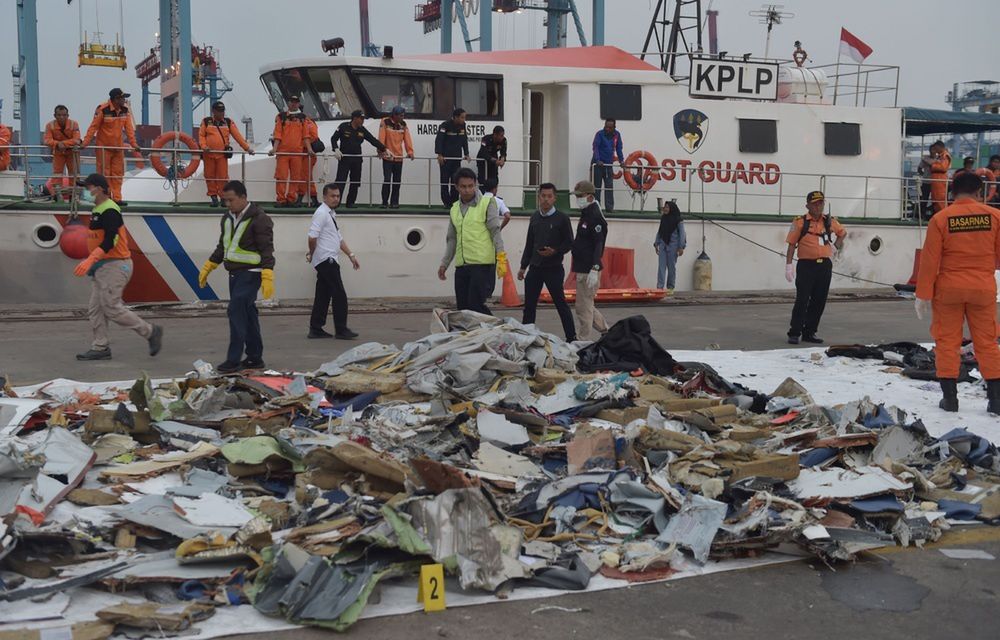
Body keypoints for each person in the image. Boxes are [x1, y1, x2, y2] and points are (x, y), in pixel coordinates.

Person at [915, 172, 1000, 414]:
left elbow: (930, 262)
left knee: (947, 343)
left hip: (948, 290)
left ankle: (950, 400)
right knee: (987, 342)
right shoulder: (995, 217)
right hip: (982, 289)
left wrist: (923, 295)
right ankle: (996, 400)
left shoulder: (941, 219)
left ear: (952, 193)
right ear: (979, 192)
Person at [73, 173, 163, 361]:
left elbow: (111, 240)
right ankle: (100, 347)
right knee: (96, 308)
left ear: (98, 188)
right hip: (103, 266)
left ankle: (150, 331)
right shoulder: (98, 209)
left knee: (111, 307)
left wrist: (91, 259)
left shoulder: (110, 210)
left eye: (87, 188)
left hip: (115, 265)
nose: (85, 191)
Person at [198, 180, 275, 373]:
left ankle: (233, 360)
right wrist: (210, 265)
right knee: (247, 314)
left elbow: (267, 249)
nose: (227, 204)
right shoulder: (227, 218)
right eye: (225, 201)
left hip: (251, 274)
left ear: (243, 197)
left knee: (235, 311)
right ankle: (255, 357)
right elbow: (223, 246)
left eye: (231, 200)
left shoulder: (260, 218)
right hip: (235, 274)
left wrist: (267, 274)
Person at [438, 167, 505, 314]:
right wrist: (444, 264)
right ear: (456, 187)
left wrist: (501, 257)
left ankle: (495, 330)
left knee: (475, 305)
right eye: (463, 186)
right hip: (462, 265)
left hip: (481, 264)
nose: (467, 190)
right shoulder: (454, 208)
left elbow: (495, 231)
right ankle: (472, 335)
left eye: (470, 186)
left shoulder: (488, 203)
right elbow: (452, 239)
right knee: (462, 308)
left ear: (475, 184)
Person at [784, 191, 847, 345]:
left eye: (821, 203)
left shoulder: (829, 221)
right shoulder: (800, 222)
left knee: (819, 301)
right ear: (808, 205)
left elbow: (842, 233)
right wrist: (789, 264)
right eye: (815, 203)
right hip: (806, 266)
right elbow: (792, 244)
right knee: (802, 300)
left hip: (824, 266)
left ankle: (810, 332)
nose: (819, 206)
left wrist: (835, 247)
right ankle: (794, 332)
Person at [518, 183, 576, 341]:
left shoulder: (562, 218)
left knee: (561, 304)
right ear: (539, 197)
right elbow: (530, 243)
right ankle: (526, 337)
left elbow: (569, 242)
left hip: (554, 268)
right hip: (535, 268)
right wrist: (523, 266)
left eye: (549, 196)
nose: (546, 200)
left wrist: (555, 251)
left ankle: (571, 337)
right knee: (529, 306)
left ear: (554, 198)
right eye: (543, 196)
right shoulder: (535, 217)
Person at [307, 184, 361, 340]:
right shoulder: (321, 214)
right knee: (339, 294)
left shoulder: (330, 214)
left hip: (328, 259)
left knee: (323, 294)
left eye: (338, 196)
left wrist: (350, 255)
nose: (336, 198)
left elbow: (338, 238)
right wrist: (312, 253)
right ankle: (341, 329)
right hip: (326, 259)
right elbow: (312, 237)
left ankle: (316, 328)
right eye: (332, 196)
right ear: (324, 197)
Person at [81, 88, 141, 203]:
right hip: (104, 148)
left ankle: (117, 199)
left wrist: (134, 144)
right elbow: (93, 127)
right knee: (104, 174)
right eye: (123, 98)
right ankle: (106, 198)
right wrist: (85, 143)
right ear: (116, 99)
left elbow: (129, 129)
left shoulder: (125, 110)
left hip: (118, 148)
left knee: (118, 175)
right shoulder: (102, 109)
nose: (124, 100)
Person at [571, 180, 609, 340]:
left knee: (583, 307)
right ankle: (607, 331)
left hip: (589, 268)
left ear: (590, 196)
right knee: (586, 305)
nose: (578, 198)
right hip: (583, 266)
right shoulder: (587, 213)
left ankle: (582, 340)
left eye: (580, 196)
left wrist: (594, 267)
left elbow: (598, 243)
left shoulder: (594, 216)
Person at [199, 101, 254, 207]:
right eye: (219, 111)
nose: (222, 113)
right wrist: (204, 146)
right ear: (213, 111)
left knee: (223, 177)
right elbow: (201, 135)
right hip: (208, 154)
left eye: (223, 111)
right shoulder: (206, 121)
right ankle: (213, 197)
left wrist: (247, 148)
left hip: (222, 155)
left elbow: (237, 136)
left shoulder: (228, 122)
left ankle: (223, 198)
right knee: (209, 176)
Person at [331, 109, 385, 208]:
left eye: (363, 118)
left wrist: (384, 148)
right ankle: (336, 203)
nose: (363, 120)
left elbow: (372, 140)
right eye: (361, 118)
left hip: (357, 159)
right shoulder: (343, 126)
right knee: (340, 181)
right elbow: (333, 138)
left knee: (355, 181)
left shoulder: (362, 130)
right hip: (345, 158)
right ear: (355, 118)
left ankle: (350, 202)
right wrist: (336, 149)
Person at [268, 95, 312, 208]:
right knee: (281, 176)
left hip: (297, 153)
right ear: (288, 103)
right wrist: (274, 149)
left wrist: (310, 149)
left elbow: (306, 136)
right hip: (283, 152)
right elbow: (277, 134)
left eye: (296, 102)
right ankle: (281, 199)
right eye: (292, 102)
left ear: (298, 104)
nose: (294, 104)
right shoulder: (281, 117)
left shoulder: (303, 118)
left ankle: (291, 199)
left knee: (295, 177)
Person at [378, 106, 414, 208]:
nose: (403, 117)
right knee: (387, 179)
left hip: (398, 157)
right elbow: (381, 137)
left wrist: (410, 151)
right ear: (395, 115)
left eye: (403, 115)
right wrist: (381, 150)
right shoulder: (385, 122)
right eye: (401, 116)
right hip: (388, 157)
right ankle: (384, 202)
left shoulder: (403, 125)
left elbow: (407, 138)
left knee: (397, 181)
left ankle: (394, 202)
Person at [43, 105, 81, 198]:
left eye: (64, 115)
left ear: (68, 115)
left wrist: (62, 144)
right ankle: (57, 195)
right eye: (59, 115)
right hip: (58, 153)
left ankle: (74, 196)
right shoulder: (50, 125)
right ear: (54, 115)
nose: (62, 117)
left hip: (72, 153)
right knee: (57, 174)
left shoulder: (74, 124)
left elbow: (77, 140)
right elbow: (46, 140)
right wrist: (57, 144)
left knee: (74, 174)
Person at [435, 108, 470, 206]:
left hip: (456, 158)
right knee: (444, 181)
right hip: (445, 159)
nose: (464, 119)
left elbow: (464, 140)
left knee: (456, 180)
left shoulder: (463, 125)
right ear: (455, 117)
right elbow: (439, 140)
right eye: (462, 117)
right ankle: (446, 202)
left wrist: (466, 153)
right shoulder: (445, 125)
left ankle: (454, 202)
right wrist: (439, 154)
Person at [591, 119, 624, 213]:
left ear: (614, 127)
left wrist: (622, 161)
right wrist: (598, 160)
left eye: (609, 127)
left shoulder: (617, 135)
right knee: (597, 187)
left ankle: (609, 208)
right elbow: (595, 147)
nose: (607, 129)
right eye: (606, 126)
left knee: (609, 186)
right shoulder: (599, 134)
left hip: (608, 164)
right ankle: (596, 207)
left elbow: (619, 148)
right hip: (598, 164)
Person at [654, 200, 687, 291]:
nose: (665, 209)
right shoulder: (663, 218)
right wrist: (656, 243)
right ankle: (659, 288)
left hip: (673, 247)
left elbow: (682, 234)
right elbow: (660, 231)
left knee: (671, 268)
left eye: (667, 207)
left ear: (672, 209)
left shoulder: (678, 220)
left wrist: (681, 247)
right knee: (661, 267)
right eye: (665, 207)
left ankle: (670, 287)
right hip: (663, 245)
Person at [476, 125, 507, 192]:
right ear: (495, 135)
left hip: (494, 159)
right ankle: (482, 196)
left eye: (503, 135)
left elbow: (503, 152)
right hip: (483, 160)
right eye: (501, 135)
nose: (502, 137)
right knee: (482, 180)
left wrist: (502, 159)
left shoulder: (504, 140)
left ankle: (493, 196)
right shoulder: (486, 139)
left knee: (494, 179)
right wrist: (494, 160)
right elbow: (483, 152)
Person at [301, 116, 321, 208]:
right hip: (302, 153)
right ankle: (313, 198)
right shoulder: (305, 122)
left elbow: (313, 137)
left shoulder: (309, 123)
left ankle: (303, 198)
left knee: (306, 176)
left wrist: (299, 143)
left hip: (308, 154)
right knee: (305, 176)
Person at [927, 141, 951, 215]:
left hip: (940, 181)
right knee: (935, 200)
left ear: (940, 147)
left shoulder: (945, 156)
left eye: (936, 148)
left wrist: (932, 166)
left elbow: (943, 167)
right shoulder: (940, 156)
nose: (935, 150)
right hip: (936, 181)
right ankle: (938, 216)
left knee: (940, 200)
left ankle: (943, 217)